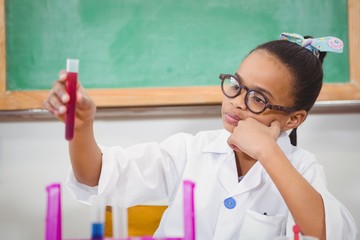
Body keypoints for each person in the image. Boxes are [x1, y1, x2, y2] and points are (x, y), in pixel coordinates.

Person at [44, 32, 358, 240]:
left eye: (258, 99)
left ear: (293, 119)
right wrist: (82, 127)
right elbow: (94, 177)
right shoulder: (190, 151)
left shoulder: (301, 168)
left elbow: (328, 232)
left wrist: (268, 151)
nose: (236, 101)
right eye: (236, 84)